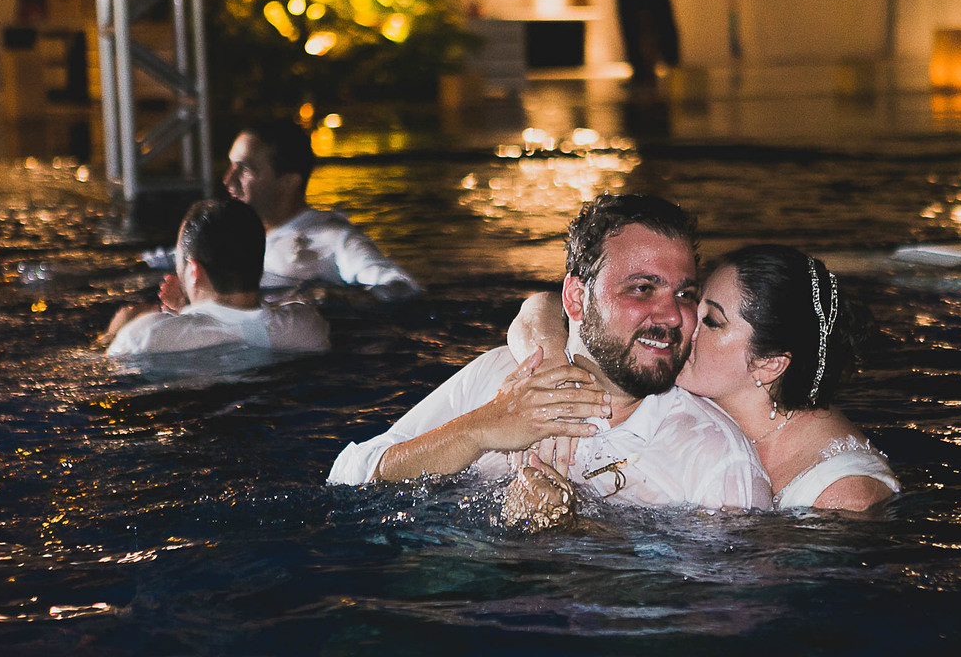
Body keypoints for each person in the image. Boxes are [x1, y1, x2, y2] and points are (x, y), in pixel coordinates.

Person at [328, 194, 771, 512]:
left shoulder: (713, 461)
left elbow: (722, 615)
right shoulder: (503, 375)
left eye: (685, 294)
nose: (673, 315)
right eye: (641, 288)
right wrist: (477, 431)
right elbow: (346, 481)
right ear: (577, 299)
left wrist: (572, 533)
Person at [509, 245, 901, 512]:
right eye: (691, 302)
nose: (682, 323)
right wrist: (552, 373)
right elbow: (542, 306)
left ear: (769, 365)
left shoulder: (844, 496)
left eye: (712, 321)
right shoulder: (714, 397)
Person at [105, 199, 330, 357]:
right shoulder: (307, 326)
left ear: (193, 270)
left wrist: (114, 333)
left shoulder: (144, 336)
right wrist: (183, 313)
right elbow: (235, 326)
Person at [223, 120, 420, 300]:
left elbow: (400, 287)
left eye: (245, 169)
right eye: (231, 165)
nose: (228, 180)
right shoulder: (228, 237)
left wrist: (342, 299)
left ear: (289, 181)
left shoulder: (333, 239)